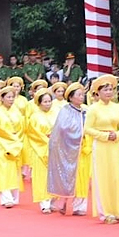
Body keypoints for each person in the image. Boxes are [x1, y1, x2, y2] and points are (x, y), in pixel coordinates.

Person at [84, 75, 119, 223]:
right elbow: (87, 129)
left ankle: (117, 209)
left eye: (111, 89)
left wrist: (117, 134)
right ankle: (106, 212)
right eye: (106, 90)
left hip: (115, 145)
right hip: (101, 146)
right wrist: (104, 136)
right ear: (98, 92)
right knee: (103, 178)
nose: (109, 92)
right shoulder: (93, 109)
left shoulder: (117, 107)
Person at [48, 83, 87, 215]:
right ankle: (62, 202)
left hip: (83, 149)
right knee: (65, 176)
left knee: (81, 177)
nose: (82, 97)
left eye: (83, 94)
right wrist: (79, 133)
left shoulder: (85, 110)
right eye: (79, 95)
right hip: (66, 149)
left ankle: (79, 206)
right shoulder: (65, 110)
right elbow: (62, 129)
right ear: (70, 97)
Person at [26, 88, 59, 213]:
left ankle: (53, 200)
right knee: (41, 176)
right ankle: (44, 202)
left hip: (55, 148)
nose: (48, 104)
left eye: (49, 101)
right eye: (45, 102)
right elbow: (34, 134)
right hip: (39, 149)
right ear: (39, 103)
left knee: (54, 176)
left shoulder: (56, 113)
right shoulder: (34, 117)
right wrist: (47, 140)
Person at [0, 86, 24, 207]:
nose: (11, 99)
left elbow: (22, 126)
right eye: (8, 97)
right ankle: (6, 198)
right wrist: (12, 137)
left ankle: (14, 197)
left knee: (14, 170)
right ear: (2, 98)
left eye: (12, 97)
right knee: (3, 171)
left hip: (15, 144)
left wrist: (17, 139)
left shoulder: (16, 111)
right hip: (2, 144)